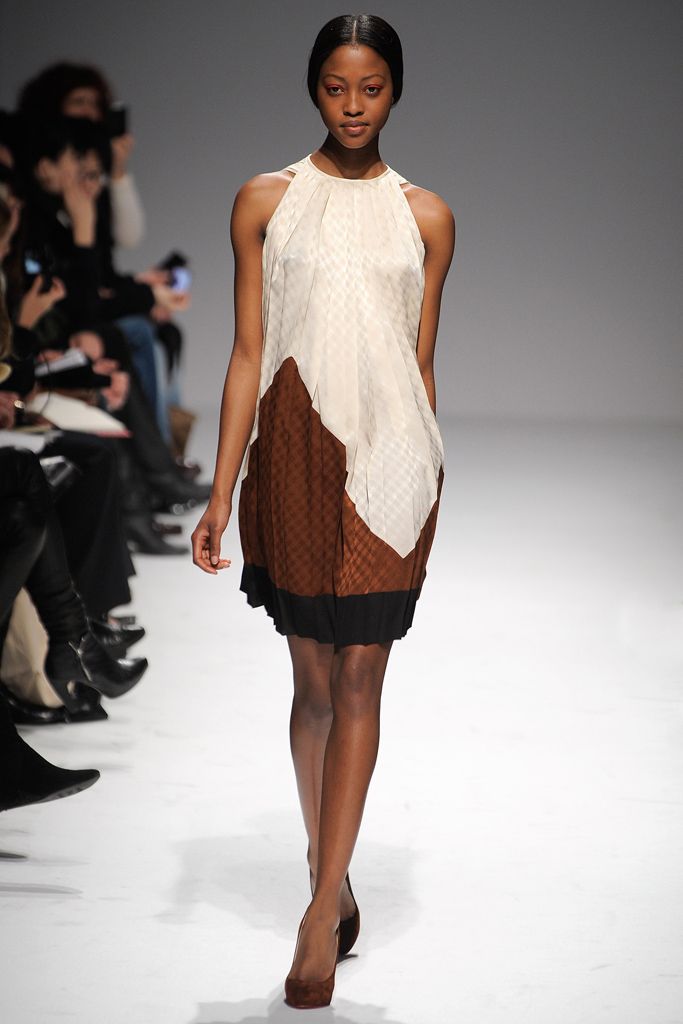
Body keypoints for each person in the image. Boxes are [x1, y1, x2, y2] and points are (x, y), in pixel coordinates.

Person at [191, 14, 455, 1010]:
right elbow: (246, 352)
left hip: (393, 461)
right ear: (314, 88)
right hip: (294, 452)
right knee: (311, 683)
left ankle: (315, 917)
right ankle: (327, 870)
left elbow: (419, 361)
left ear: (396, 91)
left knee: (359, 678)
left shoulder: (426, 216)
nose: (353, 105)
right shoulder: (266, 201)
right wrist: (219, 488)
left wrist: (428, 467)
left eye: (371, 87)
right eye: (337, 87)